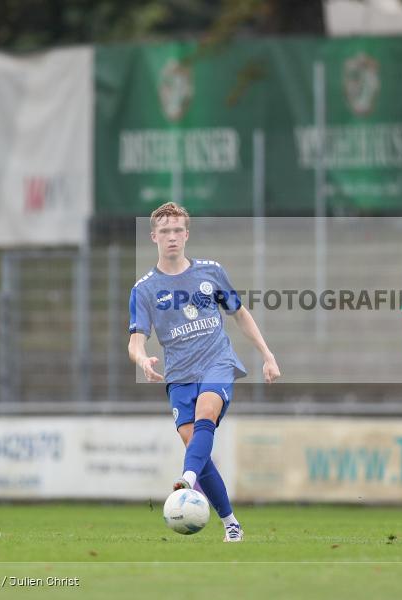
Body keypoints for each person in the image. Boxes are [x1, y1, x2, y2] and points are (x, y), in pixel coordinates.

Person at [128, 202, 280, 543]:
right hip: (179, 374)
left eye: (177, 230)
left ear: (187, 234)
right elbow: (135, 341)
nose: (172, 237)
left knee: (205, 415)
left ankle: (186, 479)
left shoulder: (211, 272)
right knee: (194, 441)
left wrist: (267, 355)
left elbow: (240, 314)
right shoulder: (145, 289)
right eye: (164, 231)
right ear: (154, 236)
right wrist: (142, 359)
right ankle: (231, 523)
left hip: (217, 362)